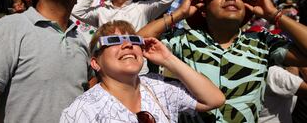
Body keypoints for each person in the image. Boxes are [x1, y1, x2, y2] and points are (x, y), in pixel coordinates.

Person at [138, 0, 307, 122]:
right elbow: (137, 42)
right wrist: (179, 14)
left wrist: (275, 15)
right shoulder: (183, 39)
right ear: (203, 10)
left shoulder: (262, 41)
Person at [60, 20, 225, 123]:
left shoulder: (160, 87)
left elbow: (214, 99)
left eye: (134, 39)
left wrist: (168, 59)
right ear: (96, 63)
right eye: (113, 41)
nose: (127, 45)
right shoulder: (82, 110)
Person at [72, 0, 175, 74]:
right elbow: (76, 11)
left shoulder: (143, 8)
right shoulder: (100, 11)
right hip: (109, 70)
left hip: (139, 71)